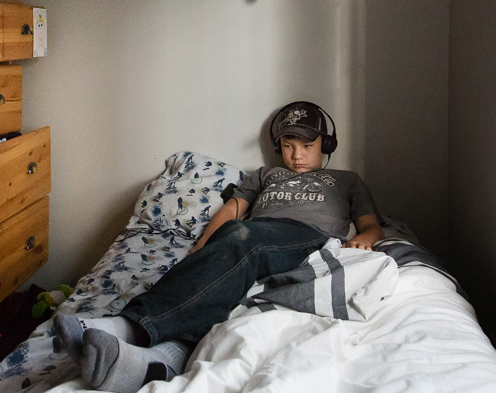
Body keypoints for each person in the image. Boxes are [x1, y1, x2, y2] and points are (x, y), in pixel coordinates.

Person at [54, 101, 384, 393]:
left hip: (306, 235)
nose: (297, 155)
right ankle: (160, 360)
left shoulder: (346, 180)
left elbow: (371, 225)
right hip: (256, 234)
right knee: (230, 249)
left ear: (325, 145)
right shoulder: (266, 175)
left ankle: (128, 326)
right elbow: (231, 210)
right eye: (288, 145)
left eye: (308, 145)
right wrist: (202, 246)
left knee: (244, 239)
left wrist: (363, 240)